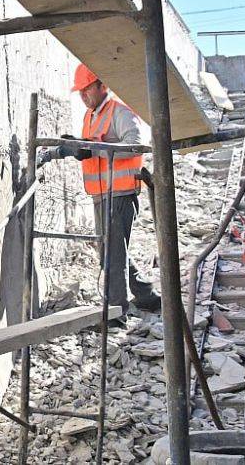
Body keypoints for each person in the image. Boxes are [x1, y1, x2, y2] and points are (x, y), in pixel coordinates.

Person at [71, 64, 160, 323]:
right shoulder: (90, 116)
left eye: (86, 89)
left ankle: (116, 314)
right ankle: (146, 296)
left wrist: (93, 149)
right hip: (101, 194)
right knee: (112, 251)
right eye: (80, 91)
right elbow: (92, 150)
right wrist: (74, 147)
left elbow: (134, 146)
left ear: (102, 86)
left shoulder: (120, 112)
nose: (83, 96)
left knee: (113, 255)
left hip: (120, 194)